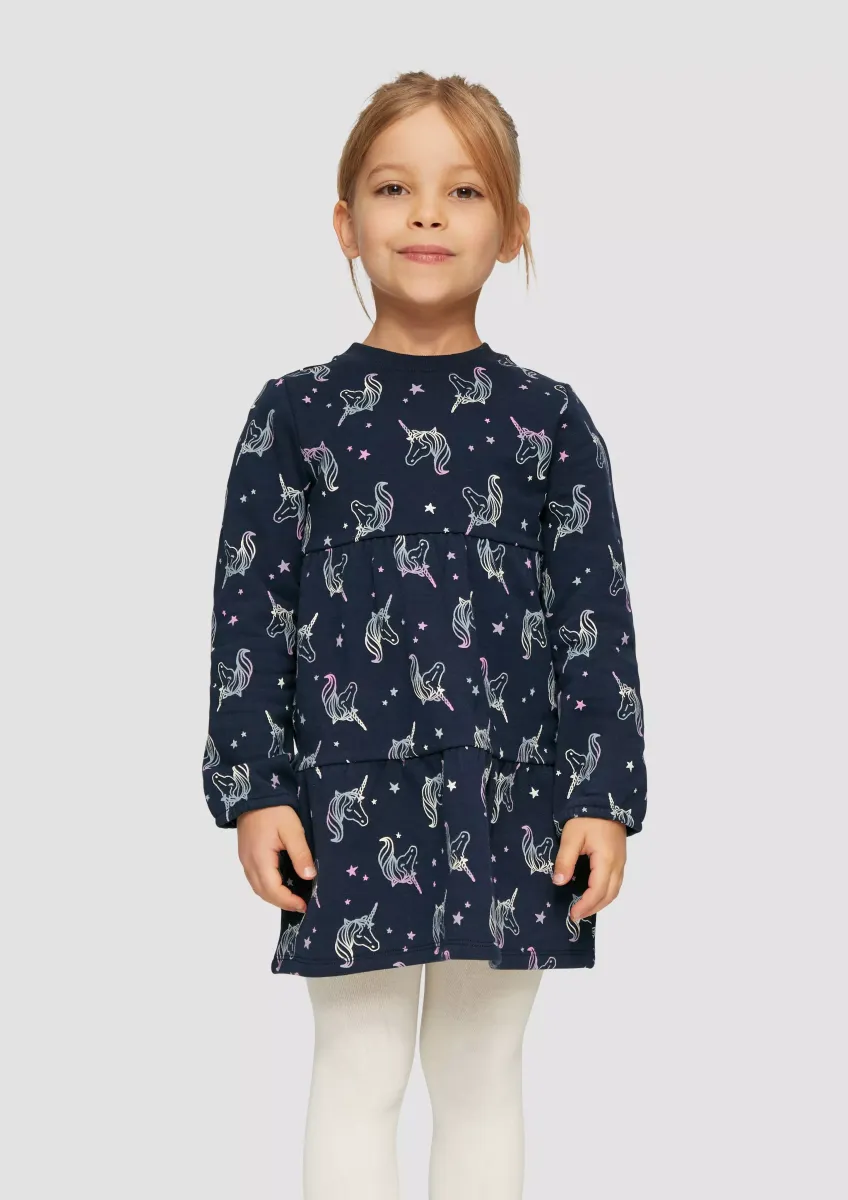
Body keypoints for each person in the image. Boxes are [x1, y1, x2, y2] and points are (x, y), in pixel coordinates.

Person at [201, 70, 648, 1200]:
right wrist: (254, 789)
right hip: (344, 799)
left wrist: (603, 795)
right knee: (357, 1068)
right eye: (394, 188)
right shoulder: (294, 415)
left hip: (514, 797)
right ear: (345, 221)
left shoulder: (550, 422)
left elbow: (594, 619)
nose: (428, 215)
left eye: (464, 190)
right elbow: (250, 609)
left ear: (513, 228)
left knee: (481, 1072)